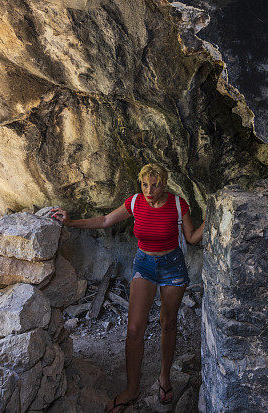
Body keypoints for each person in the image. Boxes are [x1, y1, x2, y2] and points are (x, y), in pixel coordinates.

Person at [48, 163, 205, 413]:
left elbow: (191, 238)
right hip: (144, 264)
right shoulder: (135, 202)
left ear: (164, 184)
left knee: (168, 323)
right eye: (145, 185)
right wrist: (71, 222)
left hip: (173, 266)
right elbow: (106, 220)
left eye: (155, 185)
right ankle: (132, 389)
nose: (149, 190)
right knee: (134, 329)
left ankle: (164, 378)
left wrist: (211, 219)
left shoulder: (178, 204)